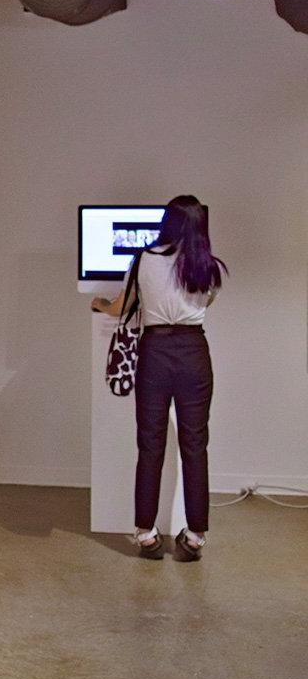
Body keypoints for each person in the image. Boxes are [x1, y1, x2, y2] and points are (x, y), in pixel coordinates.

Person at [91, 195, 226, 562]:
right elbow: (203, 306)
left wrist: (100, 305)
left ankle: (146, 534)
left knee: (150, 444)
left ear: (168, 222)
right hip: (193, 353)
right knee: (195, 445)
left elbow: (124, 304)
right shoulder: (209, 268)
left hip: (155, 352)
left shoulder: (143, 260)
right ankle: (195, 536)